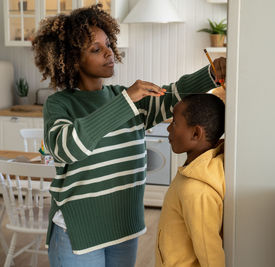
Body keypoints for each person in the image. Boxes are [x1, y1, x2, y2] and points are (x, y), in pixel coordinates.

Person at [31, 4, 226, 267]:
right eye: (96, 49)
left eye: (108, 44)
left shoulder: (125, 99)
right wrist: (126, 102)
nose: (109, 52)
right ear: (72, 59)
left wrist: (212, 74)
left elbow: (173, 94)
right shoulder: (60, 104)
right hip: (78, 234)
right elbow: (68, 149)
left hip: (124, 228)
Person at [155, 94, 226, 267]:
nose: (168, 129)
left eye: (175, 123)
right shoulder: (196, 169)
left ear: (196, 133)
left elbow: (211, 256)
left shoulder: (197, 190)